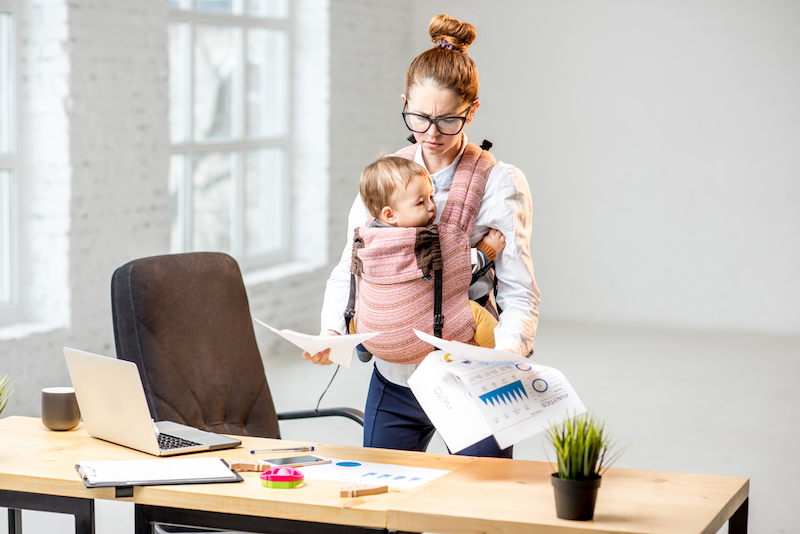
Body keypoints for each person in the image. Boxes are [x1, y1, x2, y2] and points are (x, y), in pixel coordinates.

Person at [304, 13, 540, 459]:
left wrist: (506, 354)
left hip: (469, 379)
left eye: (448, 120)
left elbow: (520, 292)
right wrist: (330, 330)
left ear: (472, 110)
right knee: (384, 509)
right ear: (404, 103)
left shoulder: (499, 182)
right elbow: (350, 266)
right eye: (419, 117)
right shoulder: (383, 179)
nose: (431, 134)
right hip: (394, 381)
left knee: (476, 512)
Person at [354, 155, 505, 350]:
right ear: (389, 215)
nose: (432, 206)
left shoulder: (367, 239)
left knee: (363, 304)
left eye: (431, 197)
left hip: (374, 329)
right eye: (420, 203)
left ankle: (362, 346)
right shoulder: (418, 240)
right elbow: (455, 267)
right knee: (478, 314)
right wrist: (487, 251)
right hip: (426, 326)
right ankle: (495, 355)